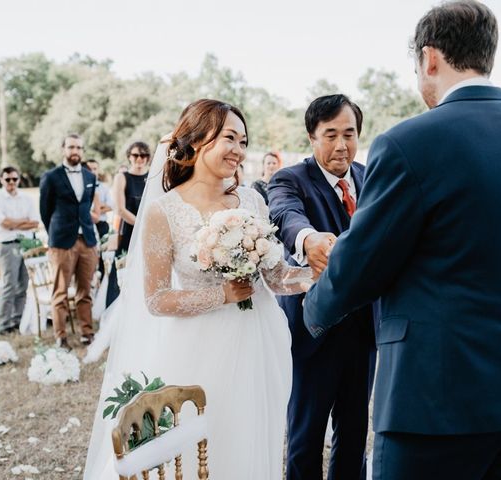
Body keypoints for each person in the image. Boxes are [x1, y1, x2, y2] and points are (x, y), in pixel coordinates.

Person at [303, 2, 501, 479]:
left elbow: (360, 264)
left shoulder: (409, 143)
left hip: (432, 407)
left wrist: (313, 310)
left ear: (429, 58)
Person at [84, 99, 312, 479]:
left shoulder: (252, 200)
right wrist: (221, 295)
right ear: (195, 140)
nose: (239, 150)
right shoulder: (164, 211)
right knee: (196, 448)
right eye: (229, 138)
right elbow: (156, 299)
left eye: (243, 141)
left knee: (249, 437)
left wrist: (319, 273)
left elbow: (275, 278)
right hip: (197, 348)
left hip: (256, 339)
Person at [267, 94, 376, 480]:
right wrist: (308, 239)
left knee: (354, 436)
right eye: (330, 135)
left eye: (349, 134)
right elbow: (284, 213)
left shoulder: (371, 176)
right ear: (312, 137)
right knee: (305, 438)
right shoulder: (289, 179)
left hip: (365, 332)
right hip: (313, 333)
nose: (341, 145)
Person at [39, 133, 99, 349]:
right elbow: (45, 211)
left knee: (85, 290)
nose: (76, 151)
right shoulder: (51, 176)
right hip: (62, 242)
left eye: (79, 148)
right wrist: (55, 234)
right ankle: (61, 336)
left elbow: (87, 205)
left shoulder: (90, 177)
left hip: (87, 241)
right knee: (60, 291)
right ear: (63, 149)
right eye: (71, 147)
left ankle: (87, 332)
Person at [0, 167, 39, 334]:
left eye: (14, 179)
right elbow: (3, 223)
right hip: (8, 244)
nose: (11, 182)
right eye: (8, 179)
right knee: (9, 284)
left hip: (27, 244)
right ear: (2, 180)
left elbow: (35, 223)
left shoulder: (27, 198)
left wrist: (14, 223)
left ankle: (18, 320)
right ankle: (3, 324)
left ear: (18, 180)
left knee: (23, 285)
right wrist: (22, 222)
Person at [105, 141, 150, 306]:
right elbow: (120, 209)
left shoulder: (152, 177)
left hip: (149, 232)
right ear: (129, 157)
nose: (140, 159)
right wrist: (142, 225)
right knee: (123, 272)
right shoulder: (122, 178)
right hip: (129, 233)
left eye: (144, 155)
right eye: (136, 155)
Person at [86, 159, 114, 239]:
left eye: (94, 169)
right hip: (85, 225)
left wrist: (94, 210)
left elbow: (110, 206)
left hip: (101, 225)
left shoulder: (104, 187)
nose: (92, 171)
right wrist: (100, 206)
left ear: (98, 170)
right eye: (89, 169)